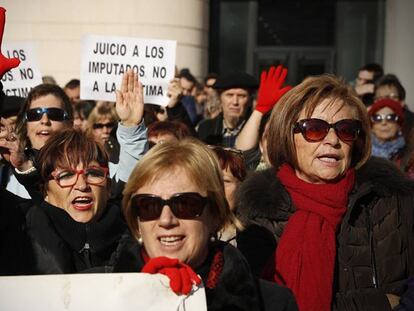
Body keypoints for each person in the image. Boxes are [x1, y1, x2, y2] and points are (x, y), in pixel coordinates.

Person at [237, 74, 414, 311]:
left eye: (346, 130)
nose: (332, 140)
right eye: (314, 128)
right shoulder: (257, 212)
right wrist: (380, 303)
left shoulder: (392, 200)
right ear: (286, 136)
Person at [108, 139, 297, 311]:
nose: (166, 220)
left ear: (215, 214)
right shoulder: (91, 294)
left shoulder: (274, 304)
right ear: (136, 219)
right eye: (149, 205)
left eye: (185, 204)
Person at [0, 70, 147, 274]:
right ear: (44, 190)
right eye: (66, 176)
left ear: (109, 185)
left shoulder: (138, 242)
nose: (81, 185)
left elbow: (133, 185)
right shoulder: (24, 235)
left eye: (94, 174)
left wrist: (131, 128)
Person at [235, 65, 291, 170]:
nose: (273, 144)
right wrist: (261, 108)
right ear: (261, 144)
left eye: (279, 137)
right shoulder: (253, 169)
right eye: (268, 137)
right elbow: (242, 152)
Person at [197, 72, 258, 147]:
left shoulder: (258, 131)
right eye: (229, 95)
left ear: (250, 100)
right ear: (219, 98)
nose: (235, 102)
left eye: (241, 96)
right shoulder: (205, 129)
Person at [368, 98, 411, 169]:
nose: (384, 122)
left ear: (399, 125)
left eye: (391, 117)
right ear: (372, 126)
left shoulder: (410, 155)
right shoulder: (362, 154)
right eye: (377, 118)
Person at [374, 74, 414, 142]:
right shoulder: (370, 120)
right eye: (380, 98)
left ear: (402, 102)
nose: (385, 102)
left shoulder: (411, 124)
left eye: (391, 97)